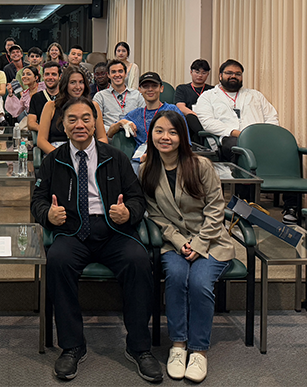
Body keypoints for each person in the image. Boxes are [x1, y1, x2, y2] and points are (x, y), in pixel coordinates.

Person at [30, 96, 162, 383]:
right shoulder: (53, 160)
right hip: (72, 231)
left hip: (113, 231)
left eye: (86, 119)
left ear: (95, 123)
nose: (79, 124)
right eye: (72, 119)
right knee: (57, 261)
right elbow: (37, 200)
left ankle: (139, 347)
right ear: (63, 125)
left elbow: (138, 199)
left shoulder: (116, 157)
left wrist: (128, 213)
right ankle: (72, 346)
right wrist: (47, 215)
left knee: (139, 261)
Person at [140, 110, 234, 383]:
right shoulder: (147, 170)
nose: (165, 137)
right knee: (177, 277)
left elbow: (216, 207)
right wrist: (181, 242)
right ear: (151, 135)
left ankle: (199, 350)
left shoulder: (200, 165)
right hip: (174, 242)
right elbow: (155, 215)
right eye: (159, 131)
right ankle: (179, 345)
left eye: (172, 132)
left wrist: (200, 242)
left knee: (200, 283)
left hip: (211, 241)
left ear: (182, 136)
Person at [195, 59, 293, 221]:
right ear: (220, 75)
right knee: (239, 148)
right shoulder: (208, 96)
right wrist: (236, 133)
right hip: (227, 139)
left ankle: (291, 207)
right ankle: (246, 203)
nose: (233, 76)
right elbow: (207, 122)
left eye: (238, 74)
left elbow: (271, 116)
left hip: (259, 140)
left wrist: (264, 135)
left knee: (287, 149)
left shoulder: (255, 95)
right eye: (229, 73)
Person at [108, 72, 187, 173]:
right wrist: (121, 123)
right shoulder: (135, 114)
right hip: (141, 161)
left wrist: (153, 156)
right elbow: (110, 133)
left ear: (161, 88)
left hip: (168, 158)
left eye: (154, 86)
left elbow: (185, 141)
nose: (150, 89)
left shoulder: (172, 110)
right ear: (140, 90)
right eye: (146, 86)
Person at [37, 66, 108, 155]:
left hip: (87, 153)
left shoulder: (93, 106)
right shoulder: (51, 106)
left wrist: (91, 153)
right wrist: (58, 156)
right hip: (56, 154)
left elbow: (102, 138)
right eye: (73, 82)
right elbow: (41, 140)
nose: (78, 87)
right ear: (65, 84)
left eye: (81, 82)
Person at [93, 59, 145, 134]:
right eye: (113, 72)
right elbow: (97, 124)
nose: (117, 75)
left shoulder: (137, 95)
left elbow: (144, 119)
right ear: (108, 75)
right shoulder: (100, 96)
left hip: (134, 136)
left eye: (120, 71)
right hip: (110, 137)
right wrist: (115, 128)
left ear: (126, 74)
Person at [174, 59, 214, 145]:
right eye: (197, 72)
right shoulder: (182, 88)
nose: (200, 75)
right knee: (190, 118)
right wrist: (197, 116)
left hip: (209, 119)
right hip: (191, 120)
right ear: (191, 72)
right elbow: (180, 107)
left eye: (204, 73)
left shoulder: (213, 90)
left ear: (208, 74)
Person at [28, 61, 61, 132]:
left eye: (54, 74)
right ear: (43, 76)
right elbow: (31, 123)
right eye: (47, 74)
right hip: (44, 135)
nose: (50, 77)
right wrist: (43, 130)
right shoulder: (36, 98)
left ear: (60, 77)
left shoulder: (66, 97)